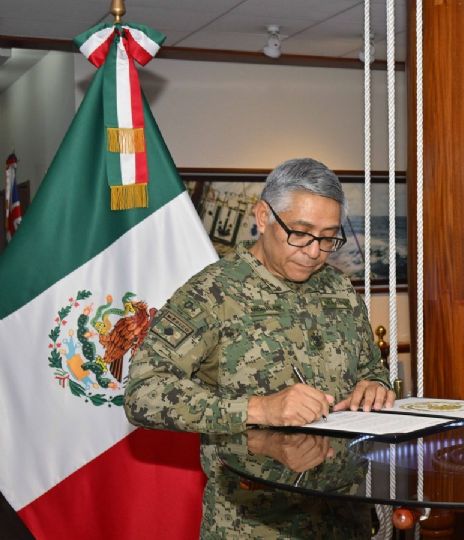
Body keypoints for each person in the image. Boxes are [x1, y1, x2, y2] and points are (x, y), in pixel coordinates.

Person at [125, 158, 392, 538]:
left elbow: (370, 368)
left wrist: (375, 385)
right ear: (263, 217)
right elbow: (143, 394)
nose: (314, 251)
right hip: (253, 524)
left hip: (344, 518)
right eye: (301, 233)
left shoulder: (338, 288)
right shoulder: (213, 293)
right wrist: (260, 408)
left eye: (328, 237)